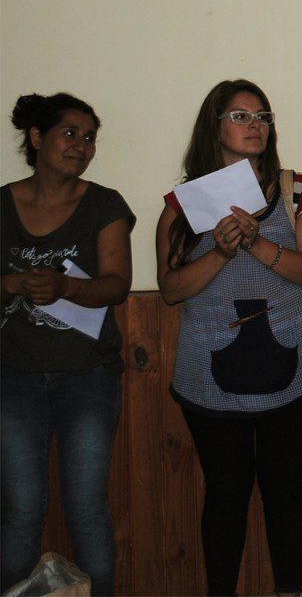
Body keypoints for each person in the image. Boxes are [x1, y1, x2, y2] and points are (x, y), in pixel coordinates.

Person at [156, 80, 302, 597]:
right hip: (209, 377)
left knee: (286, 490)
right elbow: (170, 290)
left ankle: (289, 591)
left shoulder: (298, 191)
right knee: (226, 494)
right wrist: (221, 253)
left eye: (263, 116)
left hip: (295, 371)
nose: (255, 125)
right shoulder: (187, 202)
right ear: (214, 127)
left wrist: (256, 244)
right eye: (240, 115)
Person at [1, 93, 134, 596]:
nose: (82, 146)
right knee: (21, 509)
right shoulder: (1, 204)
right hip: (11, 376)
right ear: (37, 138)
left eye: (90, 137)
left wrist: (65, 288)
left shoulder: (105, 204)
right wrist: (13, 283)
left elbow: (117, 285)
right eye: (71, 133)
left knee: (86, 508)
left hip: (88, 376)